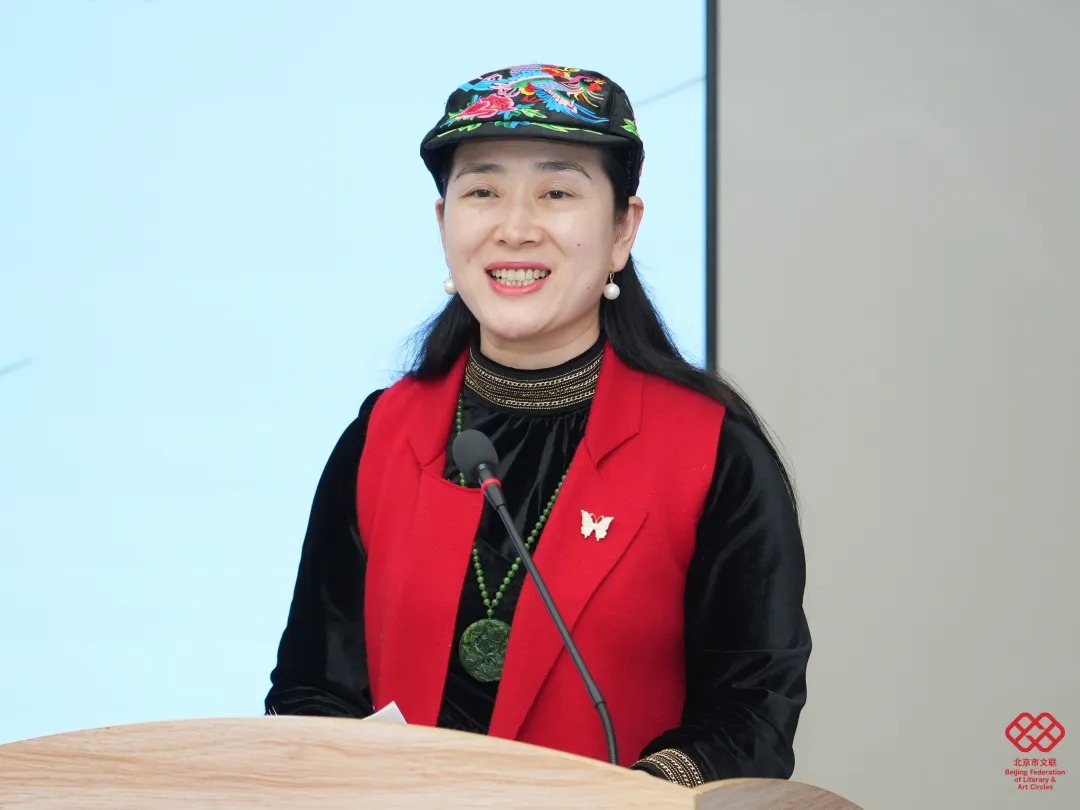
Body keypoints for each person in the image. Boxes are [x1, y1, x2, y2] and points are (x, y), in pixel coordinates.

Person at [264, 63, 811, 788]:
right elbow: (311, 688)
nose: (515, 228)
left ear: (623, 228)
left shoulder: (712, 453)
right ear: (443, 224)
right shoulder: (381, 436)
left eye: (556, 193)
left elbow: (752, 713)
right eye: (483, 192)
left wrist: (633, 798)